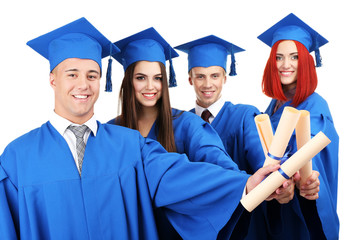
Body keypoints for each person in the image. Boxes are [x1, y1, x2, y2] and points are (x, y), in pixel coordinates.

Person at [0, 17, 279, 240]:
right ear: (52, 80)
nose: (83, 85)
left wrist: (243, 183)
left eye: (92, 75)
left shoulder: (131, 144)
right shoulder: (16, 158)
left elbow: (178, 173)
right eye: (72, 74)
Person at [108, 27, 247, 239]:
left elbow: (221, 164)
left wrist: (245, 182)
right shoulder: (111, 132)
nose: (150, 86)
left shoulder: (187, 124)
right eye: (141, 78)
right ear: (128, 80)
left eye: (157, 78)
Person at [175, 35, 296, 239]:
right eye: (200, 76)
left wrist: (280, 184)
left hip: (243, 226)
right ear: (190, 79)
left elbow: (264, 164)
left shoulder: (245, 116)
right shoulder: (180, 124)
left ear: (224, 78)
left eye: (214, 76)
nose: (207, 84)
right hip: (196, 228)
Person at [257, 13, 339, 239]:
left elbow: (308, 148)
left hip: (304, 214)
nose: (285, 65)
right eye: (279, 57)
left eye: (294, 57)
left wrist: (297, 175)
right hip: (277, 208)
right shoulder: (274, 104)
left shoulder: (315, 106)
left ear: (305, 61)